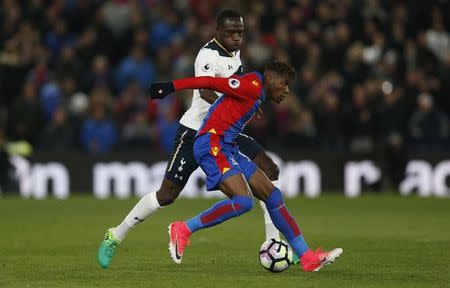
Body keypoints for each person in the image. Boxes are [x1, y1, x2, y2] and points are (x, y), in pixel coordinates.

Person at [97, 10, 285, 268]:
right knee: (167, 194)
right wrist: (237, 105)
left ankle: (273, 243)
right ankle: (115, 234)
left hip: (227, 132)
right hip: (195, 130)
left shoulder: (235, 53)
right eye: (231, 33)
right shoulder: (207, 55)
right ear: (217, 32)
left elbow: (236, 85)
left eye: (240, 32)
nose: (237, 38)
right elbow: (206, 91)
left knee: (269, 169)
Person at [149, 61, 343, 272]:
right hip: (210, 144)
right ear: (269, 78)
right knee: (243, 201)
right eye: (284, 84)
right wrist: (170, 86)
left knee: (273, 196)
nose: (287, 90)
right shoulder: (250, 85)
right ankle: (183, 229)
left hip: (227, 146)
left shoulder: (257, 92)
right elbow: (209, 82)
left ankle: (307, 257)